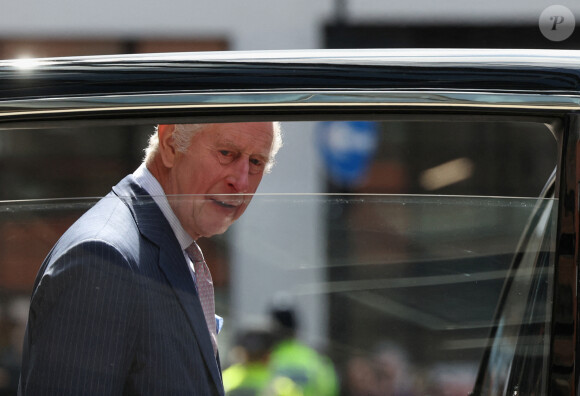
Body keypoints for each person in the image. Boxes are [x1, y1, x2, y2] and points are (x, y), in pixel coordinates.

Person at [18, 122, 282, 395]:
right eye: (226, 153)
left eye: (255, 162)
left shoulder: (164, 248)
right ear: (170, 145)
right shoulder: (103, 260)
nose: (240, 181)